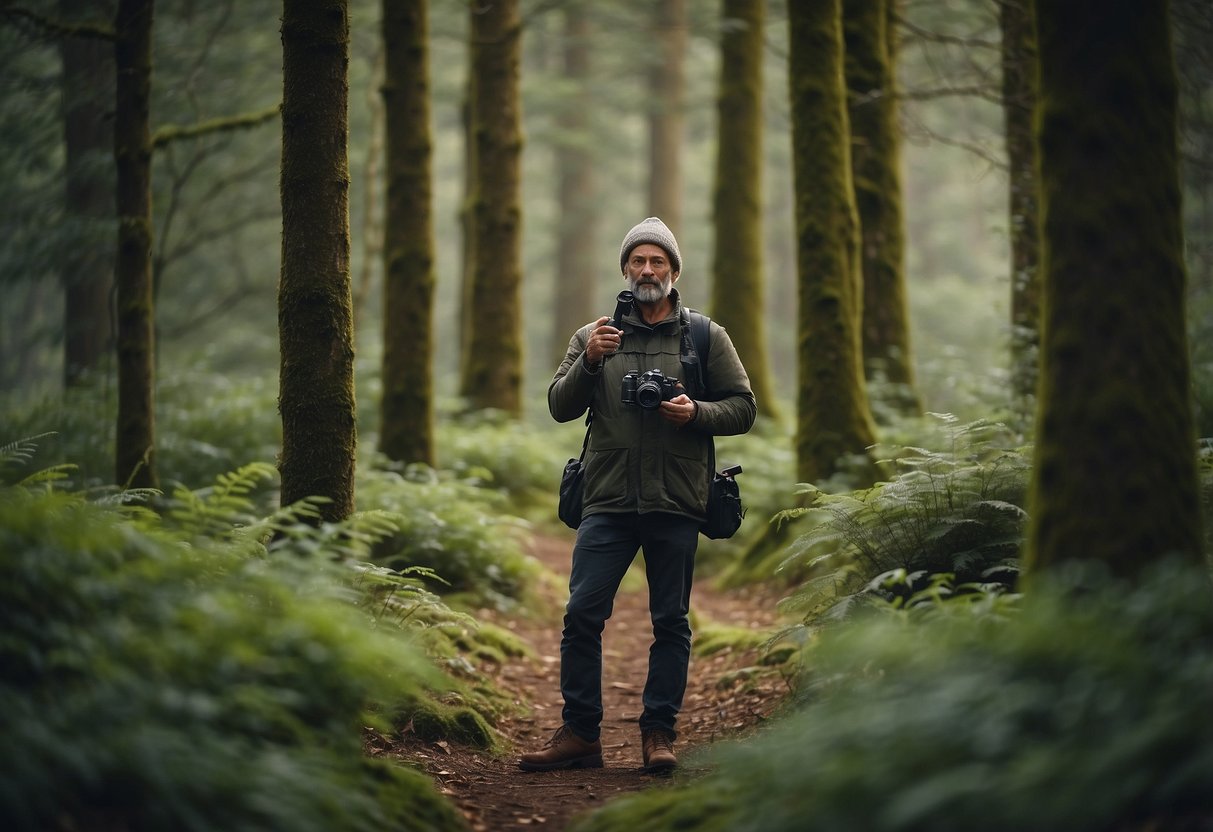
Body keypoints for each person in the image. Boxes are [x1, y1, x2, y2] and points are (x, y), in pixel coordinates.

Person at [519, 217, 756, 774]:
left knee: (670, 621)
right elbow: (559, 406)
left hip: (676, 500)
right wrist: (590, 360)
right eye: (638, 261)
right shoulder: (593, 335)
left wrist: (695, 412)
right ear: (625, 269)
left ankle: (659, 734)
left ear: (674, 272)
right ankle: (580, 734)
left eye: (658, 262)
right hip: (607, 500)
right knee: (581, 615)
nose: (647, 271)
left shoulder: (704, 336)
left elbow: (743, 407)